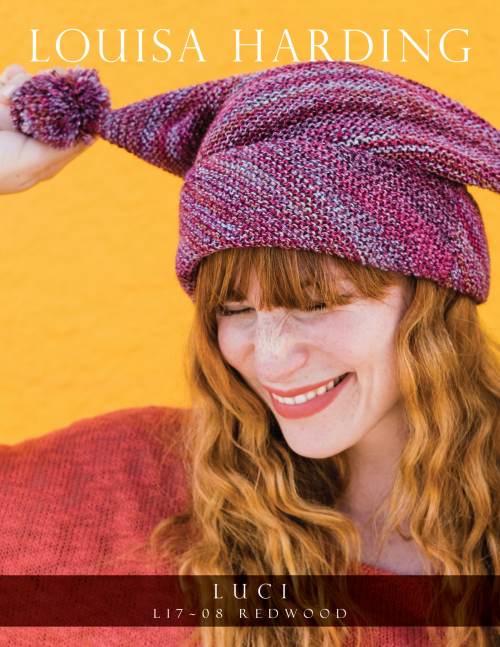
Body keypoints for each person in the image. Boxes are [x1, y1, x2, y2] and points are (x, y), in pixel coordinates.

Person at [0, 61, 498, 647]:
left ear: (433, 301)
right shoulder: (123, 485)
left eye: (317, 303)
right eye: (234, 310)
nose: (270, 360)